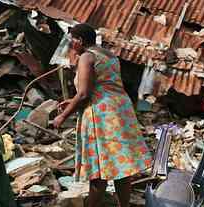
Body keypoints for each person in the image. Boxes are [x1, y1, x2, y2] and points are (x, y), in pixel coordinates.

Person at [53, 24, 152, 207]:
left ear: (80, 40)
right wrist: (72, 101)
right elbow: (102, 86)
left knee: (98, 169)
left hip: (102, 115)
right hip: (121, 111)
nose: (70, 45)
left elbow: (84, 94)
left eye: (71, 40)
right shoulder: (110, 56)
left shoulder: (86, 57)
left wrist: (63, 116)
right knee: (121, 166)